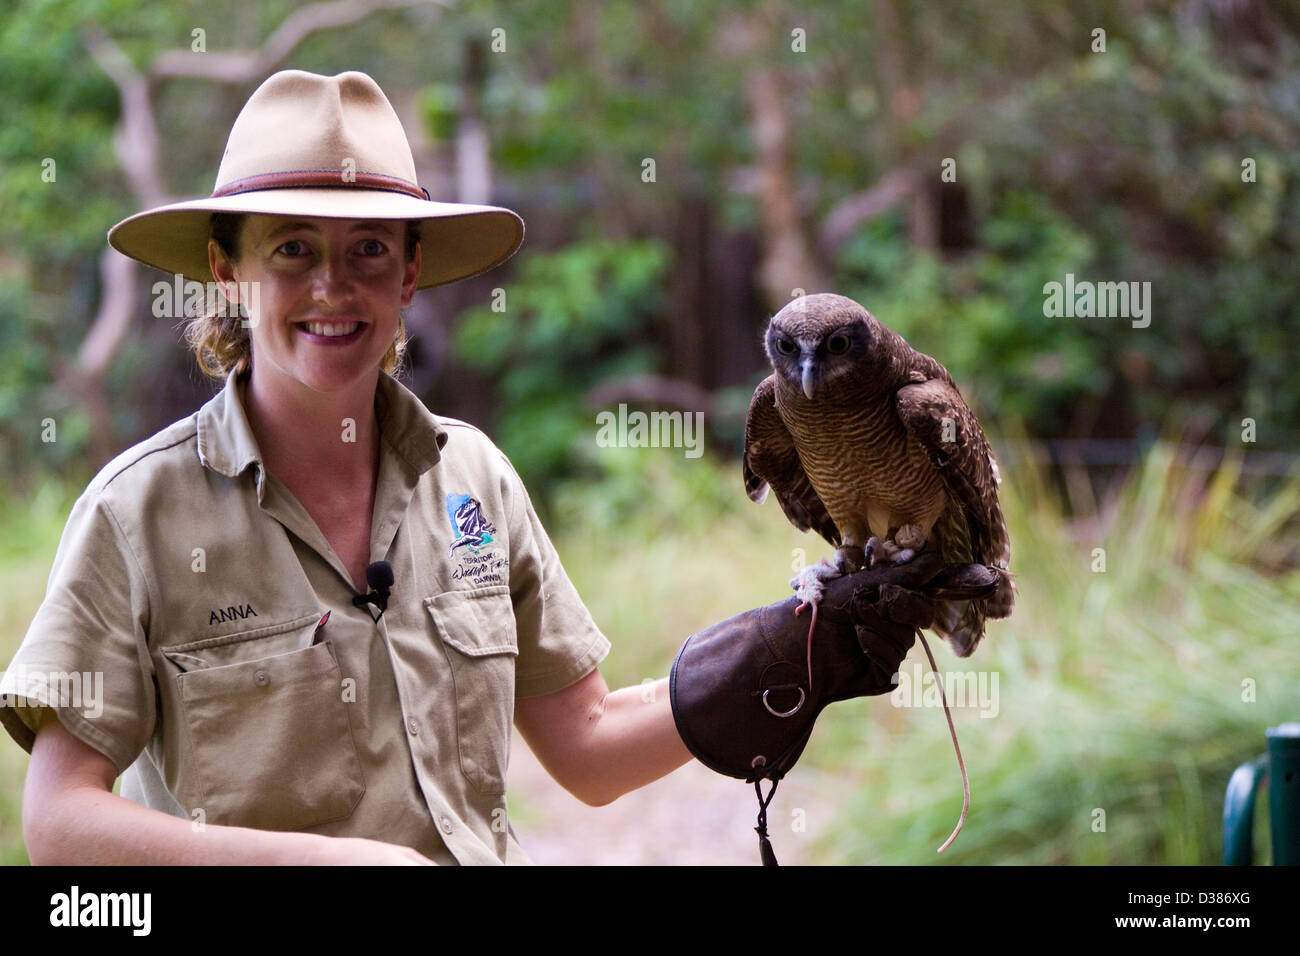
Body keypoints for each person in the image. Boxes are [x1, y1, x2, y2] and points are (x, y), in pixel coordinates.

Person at [0, 70, 974, 865]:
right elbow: (59, 823)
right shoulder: (138, 512)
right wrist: (327, 865)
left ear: (411, 272)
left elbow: (585, 746)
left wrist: (787, 652)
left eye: (369, 249)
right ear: (227, 268)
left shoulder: (472, 479)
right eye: (292, 249)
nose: (333, 286)